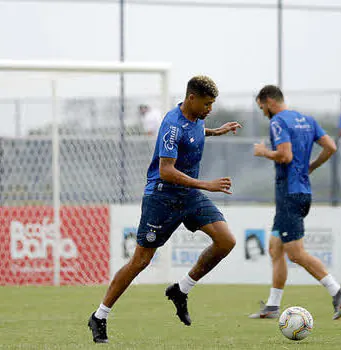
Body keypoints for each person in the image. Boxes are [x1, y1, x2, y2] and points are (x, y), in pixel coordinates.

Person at [88, 76, 242, 343]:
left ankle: (181, 290)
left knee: (226, 241)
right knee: (141, 262)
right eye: (207, 104)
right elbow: (166, 170)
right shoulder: (171, 124)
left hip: (189, 196)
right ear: (191, 98)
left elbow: (195, 133)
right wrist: (206, 184)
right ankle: (99, 316)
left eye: (212, 105)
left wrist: (217, 131)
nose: (210, 109)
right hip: (162, 198)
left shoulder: (198, 117)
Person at [250, 85, 341, 320]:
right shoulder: (306, 120)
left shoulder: (278, 122)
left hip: (289, 195)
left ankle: (337, 291)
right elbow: (331, 146)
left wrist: (264, 152)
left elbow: (285, 156)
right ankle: (273, 307)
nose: (263, 112)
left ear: (269, 101)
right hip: (302, 192)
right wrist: (311, 166)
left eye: (262, 107)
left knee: (295, 254)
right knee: (276, 248)